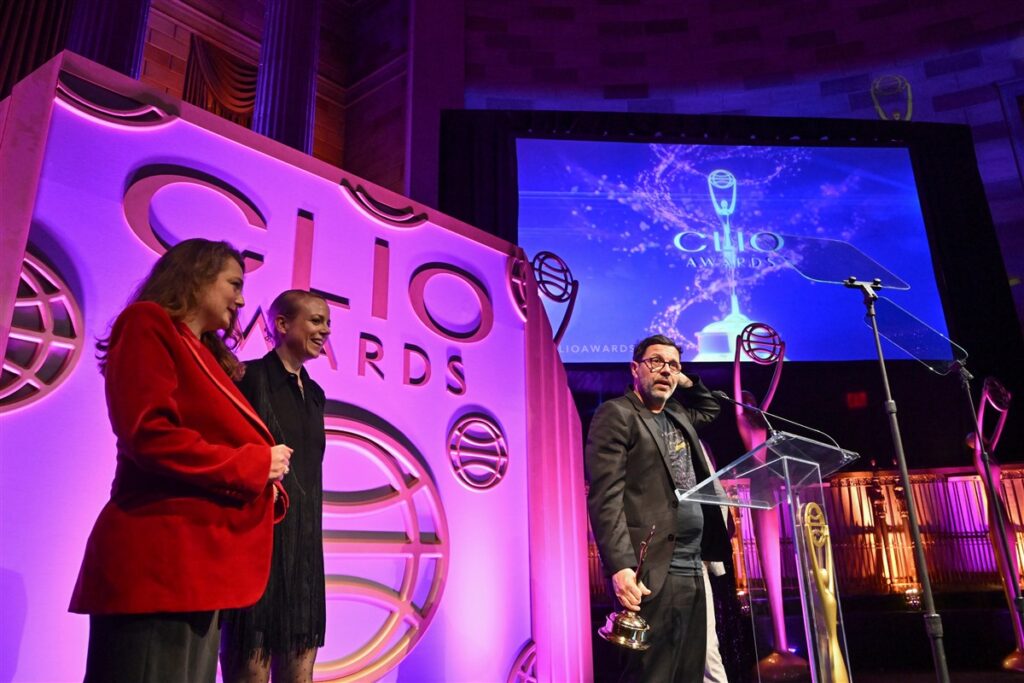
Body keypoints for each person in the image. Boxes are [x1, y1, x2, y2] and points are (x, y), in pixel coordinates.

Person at [69, 238, 292, 683]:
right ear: (197, 276)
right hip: (157, 563)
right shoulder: (146, 323)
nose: (241, 300)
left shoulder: (204, 354)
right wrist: (252, 466)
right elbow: (149, 435)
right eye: (234, 284)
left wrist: (262, 480)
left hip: (195, 568)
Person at [586, 334, 731, 683]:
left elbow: (711, 408)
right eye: (656, 362)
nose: (665, 370)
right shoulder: (617, 414)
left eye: (673, 365)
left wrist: (683, 378)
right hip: (649, 570)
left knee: (689, 673)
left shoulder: (678, 413)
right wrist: (620, 567)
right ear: (634, 368)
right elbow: (605, 497)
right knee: (652, 674)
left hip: (692, 564)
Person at [220, 290, 331, 683]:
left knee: (300, 672)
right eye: (316, 320)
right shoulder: (247, 378)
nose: (325, 330)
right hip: (257, 546)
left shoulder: (315, 395)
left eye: (328, 323)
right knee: (249, 668)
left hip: (304, 553)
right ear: (282, 325)